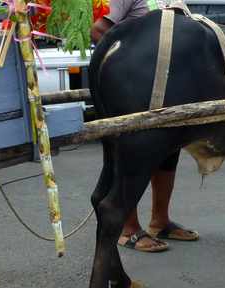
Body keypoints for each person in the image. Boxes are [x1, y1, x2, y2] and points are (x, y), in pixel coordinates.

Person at [91, 0, 200, 253]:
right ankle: (128, 230)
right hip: (133, 88)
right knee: (133, 156)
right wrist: (134, 59)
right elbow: (99, 30)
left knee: (167, 155)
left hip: (168, 88)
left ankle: (160, 221)